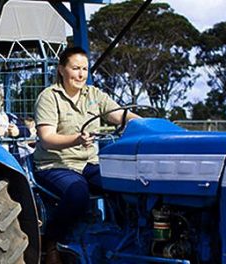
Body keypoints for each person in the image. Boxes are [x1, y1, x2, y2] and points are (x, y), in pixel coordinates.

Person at [33, 46, 140, 263]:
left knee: (124, 184)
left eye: (84, 69)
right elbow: (47, 137)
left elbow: (121, 115)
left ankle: (128, 238)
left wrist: (149, 125)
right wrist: (76, 139)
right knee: (77, 192)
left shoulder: (93, 95)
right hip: (55, 164)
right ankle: (51, 242)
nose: (81, 74)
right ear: (62, 70)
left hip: (88, 163)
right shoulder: (49, 97)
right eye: (75, 68)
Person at [0, 84, 31, 162]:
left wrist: (17, 132)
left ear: (2, 101)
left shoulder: (10, 117)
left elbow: (27, 132)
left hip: (11, 159)